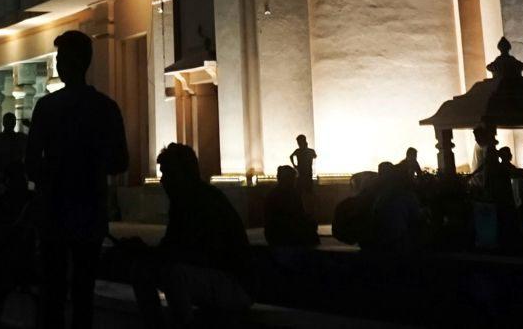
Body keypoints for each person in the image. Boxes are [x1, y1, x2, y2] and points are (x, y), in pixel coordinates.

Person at [26, 29, 129, 328]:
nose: (57, 64)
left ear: (71, 62)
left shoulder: (47, 108)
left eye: (60, 58)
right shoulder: (106, 108)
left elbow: (31, 164)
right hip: (90, 212)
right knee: (84, 293)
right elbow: (120, 161)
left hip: (54, 213)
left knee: (53, 292)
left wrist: (55, 171)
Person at [122, 143, 250, 328]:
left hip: (235, 284)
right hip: (216, 278)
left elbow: (194, 253)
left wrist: (148, 253)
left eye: (167, 174)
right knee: (143, 270)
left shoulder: (203, 202)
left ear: (182, 174)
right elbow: (174, 248)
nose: (163, 181)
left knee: (172, 274)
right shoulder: (184, 201)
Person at [261, 164, 318, 249]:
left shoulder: (279, 194)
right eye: (292, 179)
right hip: (281, 232)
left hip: (278, 232)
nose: (294, 181)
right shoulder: (279, 196)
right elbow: (291, 217)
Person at [0, 109, 28, 186]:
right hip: (8, 174)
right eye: (9, 121)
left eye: (11, 121)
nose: (10, 124)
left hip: (10, 174)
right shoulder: (20, 137)